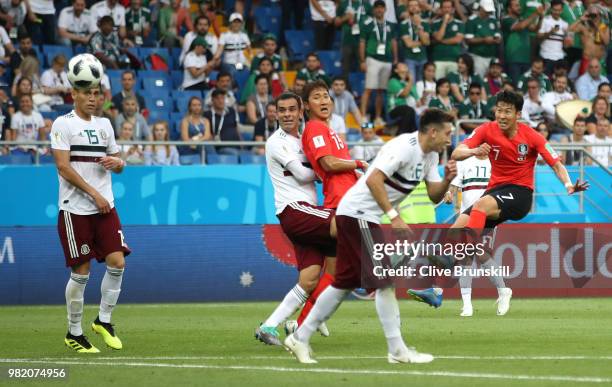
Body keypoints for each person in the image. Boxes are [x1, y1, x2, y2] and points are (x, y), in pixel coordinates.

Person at [285, 108, 456, 364]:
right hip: (358, 214)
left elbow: (434, 194)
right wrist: (394, 215)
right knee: (384, 281)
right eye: (447, 133)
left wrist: (447, 181)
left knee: (343, 283)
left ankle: (300, 337)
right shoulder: (404, 147)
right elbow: (373, 180)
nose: (450, 140)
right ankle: (397, 350)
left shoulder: (431, 156)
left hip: (363, 216)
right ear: (432, 131)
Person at [51, 81, 130, 353]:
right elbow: (63, 166)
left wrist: (118, 163)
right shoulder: (63, 124)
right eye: (87, 93)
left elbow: (118, 164)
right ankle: (74, 332)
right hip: (75, 209)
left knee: (117, 262)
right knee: (81, 271)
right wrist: (94, 193)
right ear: (74, 95)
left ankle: (104, 321)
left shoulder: (105, 125)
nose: (92, 98)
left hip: (105, 207)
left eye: (96, 93)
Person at [254, 92, 337, 346]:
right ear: (276, 113)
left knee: (310, 279)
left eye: (292, 109)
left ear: (301, 111)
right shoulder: (276, 142)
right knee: (348, 221)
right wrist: (332, 167)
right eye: (282, 110)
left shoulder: (306, 137)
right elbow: (302, 174)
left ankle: (268, 326)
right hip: (295, 210)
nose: (287, 114)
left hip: (309, 213)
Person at [441, 154, 506, 317]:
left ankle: (503, 290)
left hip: (489, 216)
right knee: (466, 257)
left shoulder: (496, 162)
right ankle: (467, 305)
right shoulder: (464, 161)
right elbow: (455, 186)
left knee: (482, 255)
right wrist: (450, 196)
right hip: (467, 217)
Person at [359, 0, 398, 125]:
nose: (379, 10)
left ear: (385, 9)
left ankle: (377, 117)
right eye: (377, 8)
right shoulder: (368, 24)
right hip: (373, 59)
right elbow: (362, 43)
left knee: (381, 91)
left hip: (387, 60)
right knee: (369, 89)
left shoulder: (390, 25)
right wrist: (362, 60)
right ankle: (363, 116)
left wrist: (395, 58)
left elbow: (393, 42)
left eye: (382, 8)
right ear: (374, 10)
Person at [502, 0, 544, 87]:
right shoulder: (506, 19)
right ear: (509, 9)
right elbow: (521, 26)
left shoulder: (522, 19)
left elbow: (535, 29)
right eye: (516, 6)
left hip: (526, 59)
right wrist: (535, 13)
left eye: (519, 5)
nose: (519, 7)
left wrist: (541, 18)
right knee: (515, 85)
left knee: (525, 86)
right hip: (513, 59)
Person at [568, 5, 610, 76]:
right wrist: (580, 19)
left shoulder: (604, 28)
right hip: (586, 60)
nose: (593, 18)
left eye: (595, 15)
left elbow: (606, 42)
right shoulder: (584, 27)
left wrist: (597, 27)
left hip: (599, 61)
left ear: (599, 16)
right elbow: (569, 30)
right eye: (591, 15)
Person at [465, 0, 501, 78]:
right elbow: (468, 39)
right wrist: (484, 40)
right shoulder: (472, 20)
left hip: (491, 57)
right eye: (486, 10)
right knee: (479, 78)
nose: (488, 13)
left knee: (491, 80)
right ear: (481, 8)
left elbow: (498, 35)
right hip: (477, 56)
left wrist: (496, 39)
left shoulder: (493, 20)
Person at [336, 0, 372, 76]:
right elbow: (336, 23)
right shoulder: (343, 4)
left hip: (362, 42)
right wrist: (345, 18)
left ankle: (361, 86)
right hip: (347, 41)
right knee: (345, 67)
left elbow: (373, 22)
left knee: (363, 67)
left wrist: (362, 23)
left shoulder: (366, 5)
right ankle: (345, 86)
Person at [431, 0, 465, 79]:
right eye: (444, 7)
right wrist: (445, 22)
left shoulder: (460, 24)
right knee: (438, 84)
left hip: (454, 60)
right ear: (441, 9)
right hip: (438, 59)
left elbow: (457, 40)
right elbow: (439, 37)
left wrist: (441, 41)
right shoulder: (435, 24)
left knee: (453, 84)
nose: (447, 10)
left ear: (453, 9)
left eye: (449, 7)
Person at [400, 0, 430, 82]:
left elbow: (427, 42)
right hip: (409, 58)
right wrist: (422, 42)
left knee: (421, 83)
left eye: (416, 5)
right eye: (411, 6)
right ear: (407, 8)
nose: (413, 7)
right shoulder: (404, 24)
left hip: (422, 57)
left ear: (420, 8)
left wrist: (418, 26)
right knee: (411, 82)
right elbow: (409, 44)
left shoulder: (425, 24)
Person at [204, 89, 241, 154]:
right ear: (212, 100)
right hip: (220, 147)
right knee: (236, 154)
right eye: (217, 98)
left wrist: (241, 143)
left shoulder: (231, 111)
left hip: (236, 146)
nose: (220, 101)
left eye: (222, 98)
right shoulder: (207, 114)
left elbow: (236, 128)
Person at [537, 0, 569, 75]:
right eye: (555, 10)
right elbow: (538, 37)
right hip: (546, 56)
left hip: (560, 57)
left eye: (559, 10)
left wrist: (566, 38)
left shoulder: (565, 24)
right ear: (551, 9)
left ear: (562, 10)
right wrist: (550, 32)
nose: (557, 12)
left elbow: (566, 45)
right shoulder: (545, 20)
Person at [386, 62, 418, 134]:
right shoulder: (393, 81)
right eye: (401, 65)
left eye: (405, 65)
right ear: (396, 70)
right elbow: (404, 94)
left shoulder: (409, 83)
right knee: (409, 110)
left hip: (410, 108)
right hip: (395, 109)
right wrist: (410, 81)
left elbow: (417, 100)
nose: (405, 66)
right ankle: (402, 134)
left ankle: (413, 135)